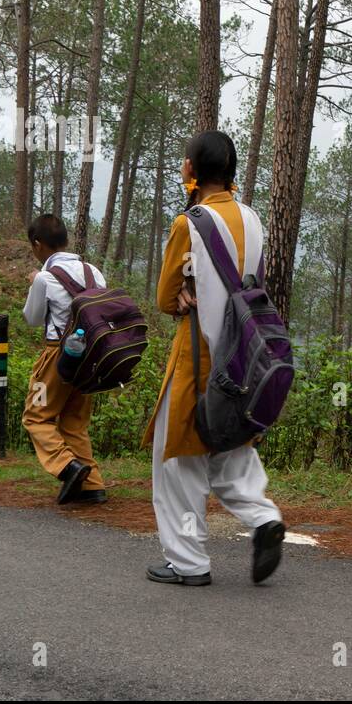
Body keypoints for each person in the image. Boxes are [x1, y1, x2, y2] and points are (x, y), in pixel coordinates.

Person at [143, 130, 285, 587]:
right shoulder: (252, 217)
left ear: (191, 170)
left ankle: (188, 563)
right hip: (243, 354)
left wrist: (185, 294)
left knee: (178, 458)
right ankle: (264, 518)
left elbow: (167, 297)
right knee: (230, 446)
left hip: (198, 354)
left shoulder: (190, 223)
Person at [21, 214, 108, 505]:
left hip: (56, 355)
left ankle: (67, 467)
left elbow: (32, 319)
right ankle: (92, 485)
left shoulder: (45, 277)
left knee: (36, 416)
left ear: (37, 244)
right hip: (90, 357)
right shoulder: (93, 272)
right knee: (74, 422)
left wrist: (35, 284)